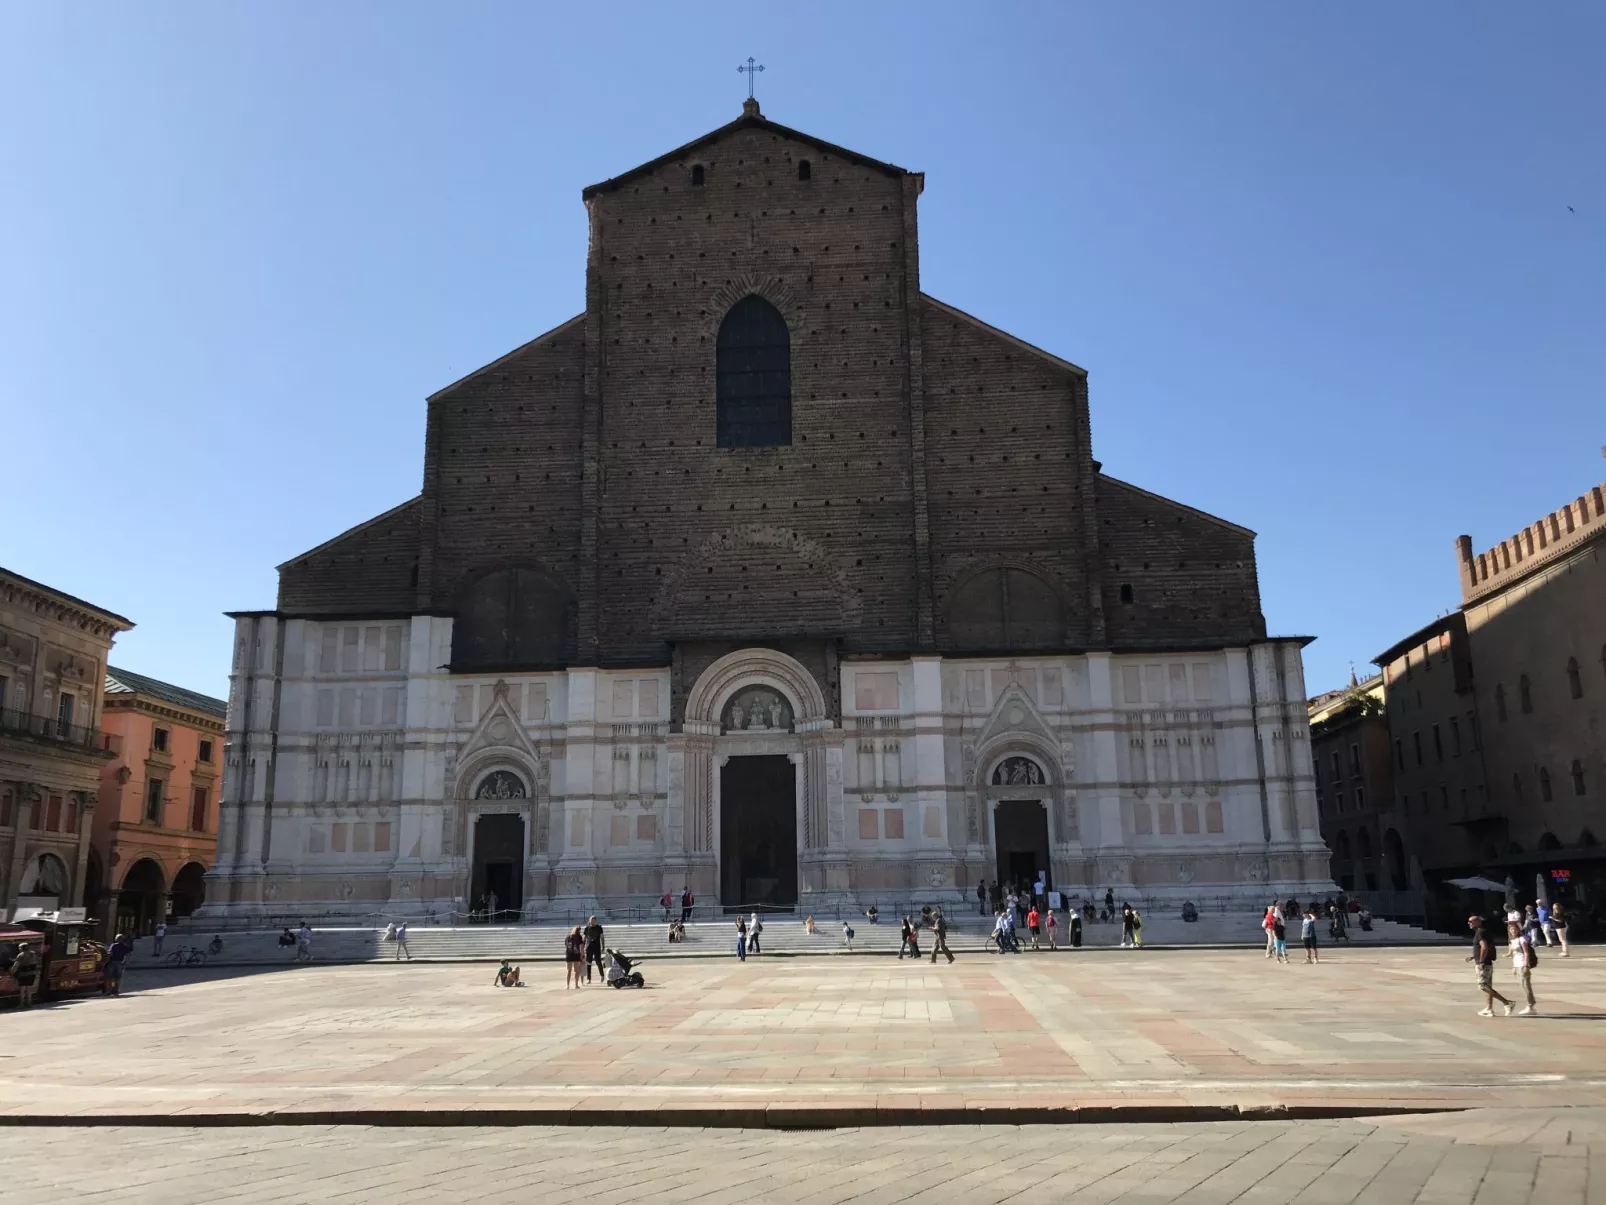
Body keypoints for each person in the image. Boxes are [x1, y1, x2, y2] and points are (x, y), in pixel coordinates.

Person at [1467, 915, 1513, 1016]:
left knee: (1483, 986)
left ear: (1478, 922)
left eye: (1472, 921)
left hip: (1484, 964)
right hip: (1486, 962)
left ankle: (1507, 1002)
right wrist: (1473, 957)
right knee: (1488, 986)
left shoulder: (1480, 932)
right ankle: (1489, 1008)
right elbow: (1481, 948)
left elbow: (1484, 947)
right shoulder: (1482, 932)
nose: (1469, 923)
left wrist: (1481, 961)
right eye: (1469, 921)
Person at [1508, 920, 1537, 1016]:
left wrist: (1526, 965)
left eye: (1515, 929)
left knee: (1526, 986)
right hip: (1517, 965)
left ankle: (1530, 1006)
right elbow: (1514, 955)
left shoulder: (1522, 939)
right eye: (1511, 929)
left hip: (1522, 965)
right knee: (1522, 986)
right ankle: (1530, 1005)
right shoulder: (1513, 941)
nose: (1513, 931)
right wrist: (1513, 967)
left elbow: (1526, 952)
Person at [11, 942, 39, 1008]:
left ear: (21, 948)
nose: (19, 949)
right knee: (29, 989)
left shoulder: (21, 955)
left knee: (22, 989)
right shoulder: (33, 954)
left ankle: (21, 1004)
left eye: (19, 948)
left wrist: (12, 971)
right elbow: (35, 962)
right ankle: (29, 1003)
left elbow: (16, 965)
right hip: (32, 973)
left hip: (23, 973)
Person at [583, 915, 605, 984]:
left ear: (596, 921)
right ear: (589, 921)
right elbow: (584, 938)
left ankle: (602, 975)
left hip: (597, 947)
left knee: (598, 961)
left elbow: (602, 937)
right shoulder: (587, 928)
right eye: (592, 921)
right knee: (588, 962)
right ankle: (588, 979)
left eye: (594, 920)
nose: (593, 922)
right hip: (589, 947)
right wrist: (583, 947)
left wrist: (603, 946)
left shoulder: (599, 928)